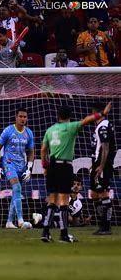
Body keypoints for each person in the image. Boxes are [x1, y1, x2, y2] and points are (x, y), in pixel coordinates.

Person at [40, 102, 112, 243]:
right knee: (64, 201)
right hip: (65, 166)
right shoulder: (71, 127)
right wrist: (102, 113)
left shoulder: (50, 130)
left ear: (58, 116)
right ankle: (64, 234)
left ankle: (45, 232)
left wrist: (45, 166)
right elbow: (87, 120)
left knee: (52, 199)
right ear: (70, 116)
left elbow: (43, 150)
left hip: (52, 166)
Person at [0, 108, 35, 229]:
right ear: (16, 117)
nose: (23, 119)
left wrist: (29, 169)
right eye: (21, 116)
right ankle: (21, 221)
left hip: (21, 166)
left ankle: (9, 222)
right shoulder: (8, 130)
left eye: (25, 117)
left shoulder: (29, 133)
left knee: (16, 192)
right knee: (16, 187)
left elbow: (31, 152)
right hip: (9, 164)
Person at [90, 102, 116, 235]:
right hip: (97, 163)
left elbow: (105, 146)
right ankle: (102, 223)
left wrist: (101, 165)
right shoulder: (101, 125)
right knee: (94, 194)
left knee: (103, 193)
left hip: (102, 164)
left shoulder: (103, 126)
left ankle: (106, 226)